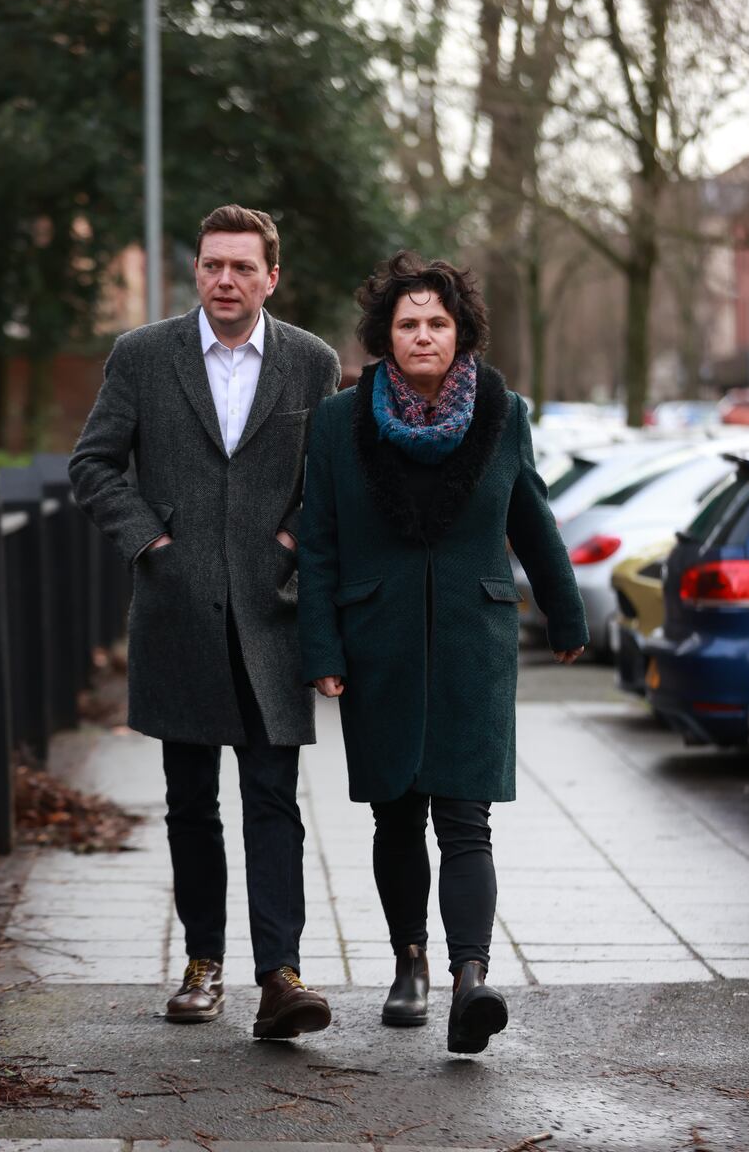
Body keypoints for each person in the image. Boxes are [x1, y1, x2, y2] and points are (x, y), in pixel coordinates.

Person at [297, 250, 587, 1054]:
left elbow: (531, 516)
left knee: (467, 816)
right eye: (408, 323)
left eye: (437, 322)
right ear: (385, 337)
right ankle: (410, 966)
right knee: (397, 812)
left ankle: (470, 979)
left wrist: (565, 615)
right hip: (378, 642)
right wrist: (321, 645)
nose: (424, 335)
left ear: (460, 333)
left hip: (472, 639)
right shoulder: (339, 421)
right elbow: (318, 542)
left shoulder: (502, 412)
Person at [69, 204, 340, 1039]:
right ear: (198, 271)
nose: (225, 279)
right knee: (190, 803)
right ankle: (203, 966)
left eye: (242, 267)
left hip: (271, 615)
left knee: (272, 799)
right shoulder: (144, 356)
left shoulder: (311, 362)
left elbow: (329, 481)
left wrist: (292, 541)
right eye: (213, 265)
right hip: (177, 613)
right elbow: (94, 462)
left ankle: (280, 976)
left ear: (271, 277)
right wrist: (150, 539)